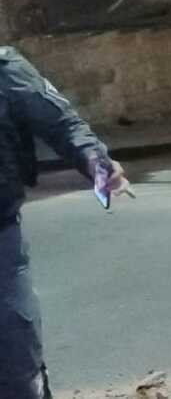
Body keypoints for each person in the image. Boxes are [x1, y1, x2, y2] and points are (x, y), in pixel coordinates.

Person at [0, 46, 130, 399]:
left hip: (1, 239)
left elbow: (61, 122)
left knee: (16, 371)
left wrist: (96, 163)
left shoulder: (5, 69)